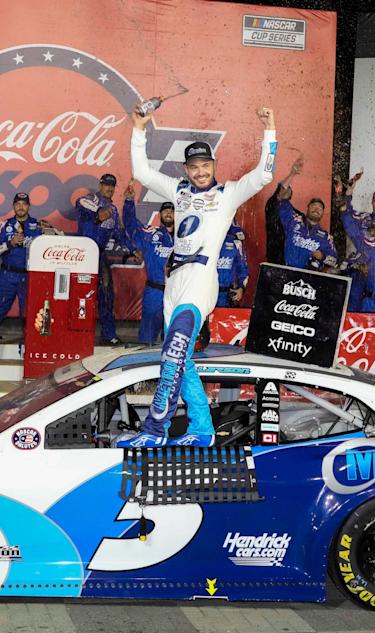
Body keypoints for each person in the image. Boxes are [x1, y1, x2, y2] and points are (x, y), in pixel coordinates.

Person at [121, 103, 277, 448]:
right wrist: (138, 129)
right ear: (187, 170)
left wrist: (270, 130)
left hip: (201, 280)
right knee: (179, 357)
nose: (201, 171)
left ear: (213, 167)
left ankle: (154, 429)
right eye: (194, 167)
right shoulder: (178, 191)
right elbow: (142, 174)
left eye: (206, 165)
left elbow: (264, 175)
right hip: (173, 281)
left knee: (174, 354)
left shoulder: (228, 194)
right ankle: (203, 428)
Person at [0, 193, 51, 362]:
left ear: (29, 206)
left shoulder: (38, 226)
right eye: (18, 204)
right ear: (13, 206)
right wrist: (10, 243)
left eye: (24, 204)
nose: (21, 207)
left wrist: (50, 232)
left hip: (30, 277)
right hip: (8, 275)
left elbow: (54, 245)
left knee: (32, 316)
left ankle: (31, 351)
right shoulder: (4, 225)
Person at [77, 173, 129, 345]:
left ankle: (109, 334)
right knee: (81, 294)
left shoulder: (113, 210)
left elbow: (119, 234)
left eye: (112, 186)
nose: (109, 188)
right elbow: (79, 202)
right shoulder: (92, 199)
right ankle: (79, 332)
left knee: (106, 295)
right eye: (106, 185)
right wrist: (99, 211)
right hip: (82, 254)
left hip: (99, 254)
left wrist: (132, 249)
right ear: (100, 186)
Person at [123, 186, 174, 344]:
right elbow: (131, 225)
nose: (168, 213)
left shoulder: (186, 238)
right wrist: (129, 201)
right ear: (159, 215)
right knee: (147, 336)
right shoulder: (151, 233)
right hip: (155, 291)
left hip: (176, 292)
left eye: (172, 210)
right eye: (165, 210)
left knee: (173, 336)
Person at [339, 175, 375, 311]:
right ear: (372, 202)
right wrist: (349, 193)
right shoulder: (362, 217)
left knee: (374, 308)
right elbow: (346, 213)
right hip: (358, 268)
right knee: (353, 304)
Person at [277, 192, 337, 272]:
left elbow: (334, 262)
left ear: (322, 213)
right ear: (308, 208)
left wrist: (323, 256)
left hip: (309, 278)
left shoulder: (327, 237)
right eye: (314, 206)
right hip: (286, 271)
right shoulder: (294, 222)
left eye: (320, 208)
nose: (316, 209)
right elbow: (283, 207)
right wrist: (284, 197)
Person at [216, 224, 249, 307]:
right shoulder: (202, 238)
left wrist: (241, 288)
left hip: (227, 293)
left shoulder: (235, 241)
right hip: (205, 292)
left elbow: (243, 268)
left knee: (225, 319)